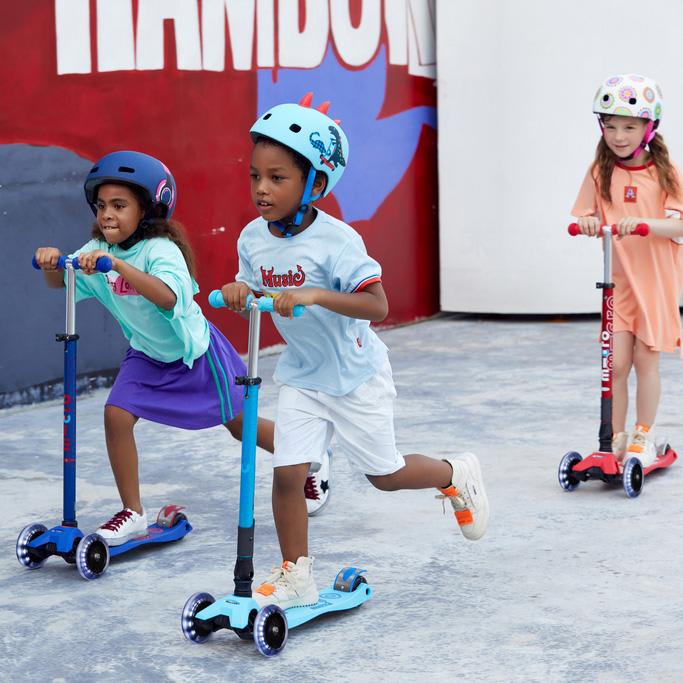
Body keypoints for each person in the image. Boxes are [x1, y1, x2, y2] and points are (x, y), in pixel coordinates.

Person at [219, 94, 490, 608]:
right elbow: (253, 287)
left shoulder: (338, 242)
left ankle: (454, 473)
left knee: (385, 476)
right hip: (302, 375)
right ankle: (296, 574)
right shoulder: (252, 237)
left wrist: (316, 295)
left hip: (354, 377)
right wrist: (240, 292)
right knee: (288, 475)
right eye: (255, 176)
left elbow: (377, 304)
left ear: (315, 185)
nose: (261, 189)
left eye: (277, 178)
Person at [33, 150, 330, 545]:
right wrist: (53, 264)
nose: (107, 215)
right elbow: (64, 283)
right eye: (102, 205)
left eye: (119, 205)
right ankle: (133, 513)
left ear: (147, 211)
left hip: (196, 355)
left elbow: (168, 297)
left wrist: (119, 266)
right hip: (146, 355)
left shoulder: (159, 250)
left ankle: (311, 459)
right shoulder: (98, 249)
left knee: (239, 426)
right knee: (116, 415)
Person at [573, 74, 683, 466]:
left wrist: (646, 224)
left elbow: (680, 225)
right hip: (617, 285)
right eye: (611, 126)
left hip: (655, 284)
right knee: (615, 364)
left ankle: (644, 435)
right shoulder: (600, 171)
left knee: (646, 362)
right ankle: (615, 438)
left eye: (629, 127)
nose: (618, 136)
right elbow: (584, 214)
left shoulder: (665, 173)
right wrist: (588, 222)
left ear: (648, 128)